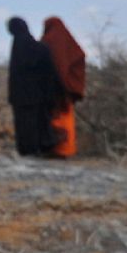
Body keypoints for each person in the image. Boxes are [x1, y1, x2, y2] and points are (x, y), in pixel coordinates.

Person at [7, 17, 59, 157]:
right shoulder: (38, 47)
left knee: (25, 123)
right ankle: (39, 147)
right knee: (37, 121)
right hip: (37, 94)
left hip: (22, 95)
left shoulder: (20, 46)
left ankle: (28, 149)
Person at [40, 17, 86, 159]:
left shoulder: (47, 40)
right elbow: (80, 55)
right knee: (65, 118)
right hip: (65, 90)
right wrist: (71, 81)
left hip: (50, 88)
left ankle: (53, 148)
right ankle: (65, 150)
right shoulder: (69, 42)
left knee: (51, 118)